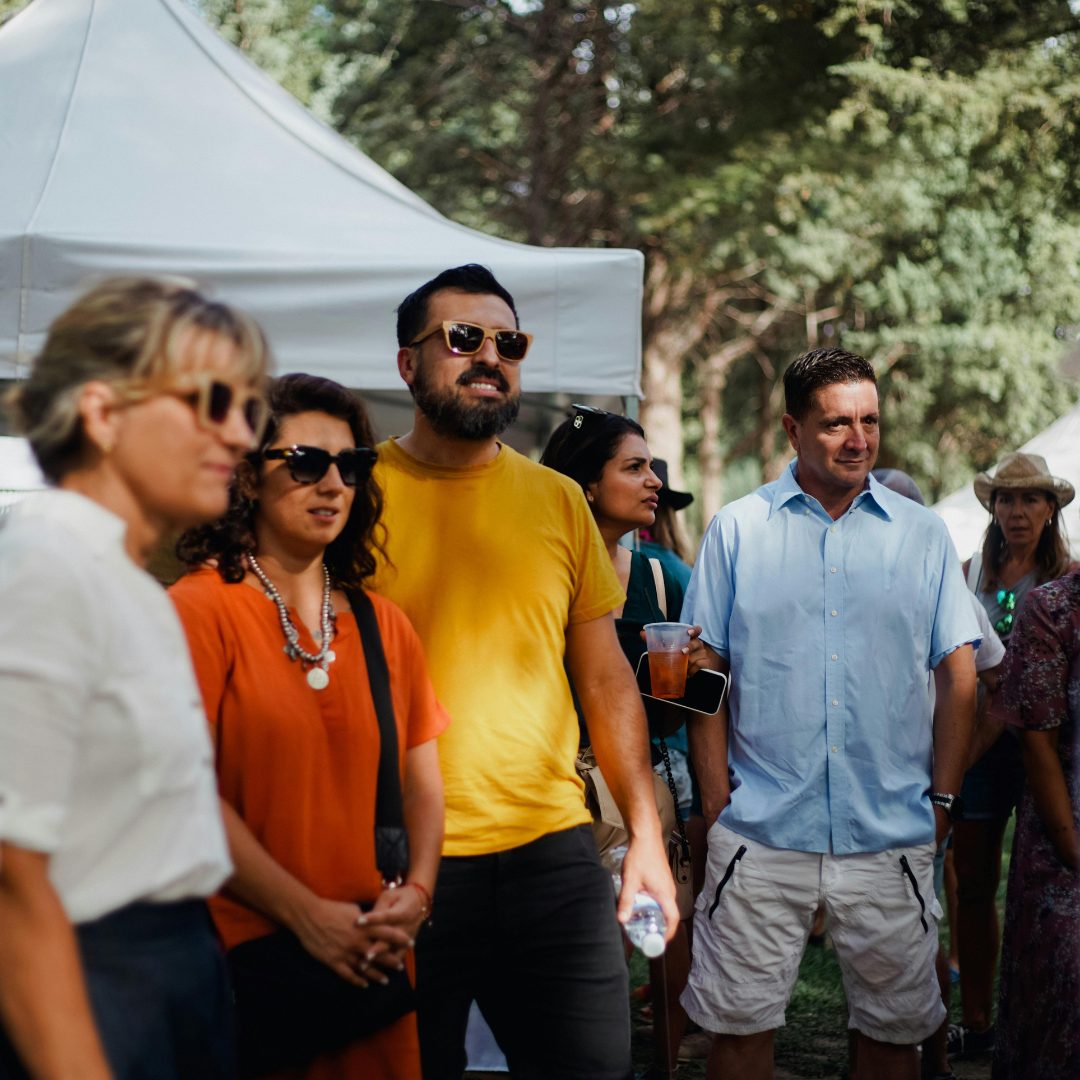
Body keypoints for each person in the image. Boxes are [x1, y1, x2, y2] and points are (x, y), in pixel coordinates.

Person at [370, 263, 676, 1080]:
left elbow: (608, 680)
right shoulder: (352, 495)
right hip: (395, 860)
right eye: (462, 338)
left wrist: (644, 834)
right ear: (409, 364)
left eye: (509, 342)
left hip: (552, 853)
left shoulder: (556, 500)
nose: (489, 356)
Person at [680, 347, 979, 1080]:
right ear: (791, 428)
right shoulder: (738, 529)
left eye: (870, 421)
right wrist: (717, 798)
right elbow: (704, 671)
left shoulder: (922, 534)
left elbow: (960, 676)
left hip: (890, 834)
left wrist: (942, 798)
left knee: (892, 1035)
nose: (859, 440)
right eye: (836, 423)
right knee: (738, 1031)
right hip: (760, 832)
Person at [0, 276, 270, 1079]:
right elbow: (11, 876)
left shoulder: (123, 578)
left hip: (172, 976)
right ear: (102, 411)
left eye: (250, 409)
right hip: (89, 983)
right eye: (211, 400)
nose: (239, 434)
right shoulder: (47, 565)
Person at [171, 373, 447, 1080]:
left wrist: (416, 896)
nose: (332, 483)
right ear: (247, 477)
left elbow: (424, 786)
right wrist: (305, 916)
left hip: (372, 956)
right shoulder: (198, 610)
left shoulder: (383, 623)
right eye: (305, 462)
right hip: (244, 957)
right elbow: (180, 795)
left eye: (351, 466)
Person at [541, 407, 698, 1080]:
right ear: (583, 485)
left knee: (665, 943)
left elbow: (699, 705)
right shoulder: (538, 571)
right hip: (559, 787)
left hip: (652, 786)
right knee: (586, 962)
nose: (653, 481)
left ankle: (660, 1066)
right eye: (632, 468)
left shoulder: (666, 576)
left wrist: (688, 674)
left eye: (649, 466)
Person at [872, 467, 1005, 1080]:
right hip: (862, 793)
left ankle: (930, 1057)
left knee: (919, 924)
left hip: (920, 795)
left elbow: (996, 681)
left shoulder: (945, 589)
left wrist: (955, 772)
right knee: (877, 934)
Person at [948, 451, 1076, 1061]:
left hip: (1045, 747)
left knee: (1040, 882)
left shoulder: (1067, 580)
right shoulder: (970, 574)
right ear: (992, 508)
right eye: (1006, 499)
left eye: (1029, 499)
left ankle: (1035, 1014)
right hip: (979, 747)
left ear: (1051, 510)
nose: (1017, 511)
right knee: (973, 882)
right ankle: (977, 1018)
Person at [988, 567, 1080, 1080]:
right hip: (1061, 833)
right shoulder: (1054, 607)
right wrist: (1073, 851)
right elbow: (1037, 739)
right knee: (1061, 994)